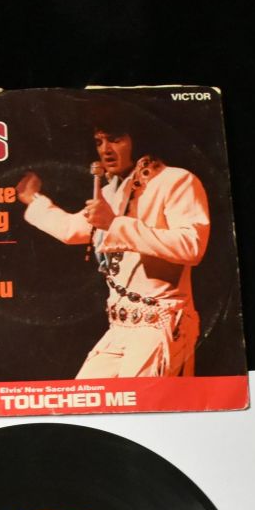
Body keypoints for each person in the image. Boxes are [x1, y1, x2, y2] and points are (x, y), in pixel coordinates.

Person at [15, 105, 209, 378]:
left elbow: (191, 245)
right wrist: (34, 200)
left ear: (137, 139)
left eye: (115, 139)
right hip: (119, 327)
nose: (105, 150)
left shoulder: (176, 181)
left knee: (138, 402)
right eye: (99, 142)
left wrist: (114, 224)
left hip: (160, 325)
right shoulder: (111, 192)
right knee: (86, 396)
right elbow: (71, 230)